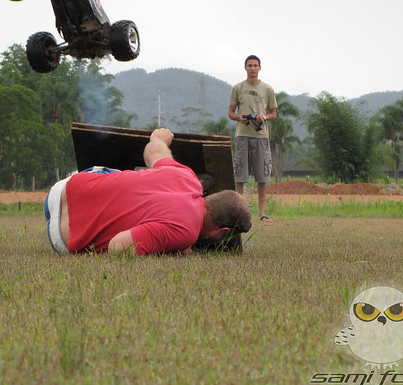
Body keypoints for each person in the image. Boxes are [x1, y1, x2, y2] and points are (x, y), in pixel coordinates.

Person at [44, 128, 252, 255]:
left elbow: (154, 153)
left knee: (121, 175)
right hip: (62, 237)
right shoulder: (185, 233)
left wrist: (158, 138)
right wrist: (171, 251)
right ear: (222, 232)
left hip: (63, 189)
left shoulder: (188, 178)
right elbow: (118, 247)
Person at [228, 55, 277, 222]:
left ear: (260, 68)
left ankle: (262, 213)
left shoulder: (268, 89)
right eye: (249, 65)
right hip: (243, 135)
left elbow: (273, 113)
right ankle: (238, 212)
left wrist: (264, 117)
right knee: (240, 175)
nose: (252, 68)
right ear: (245, 68)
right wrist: (239, 117)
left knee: (262, 176)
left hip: (261, 137)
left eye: (255, 65)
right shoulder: (237, 88)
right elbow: (230, 113)